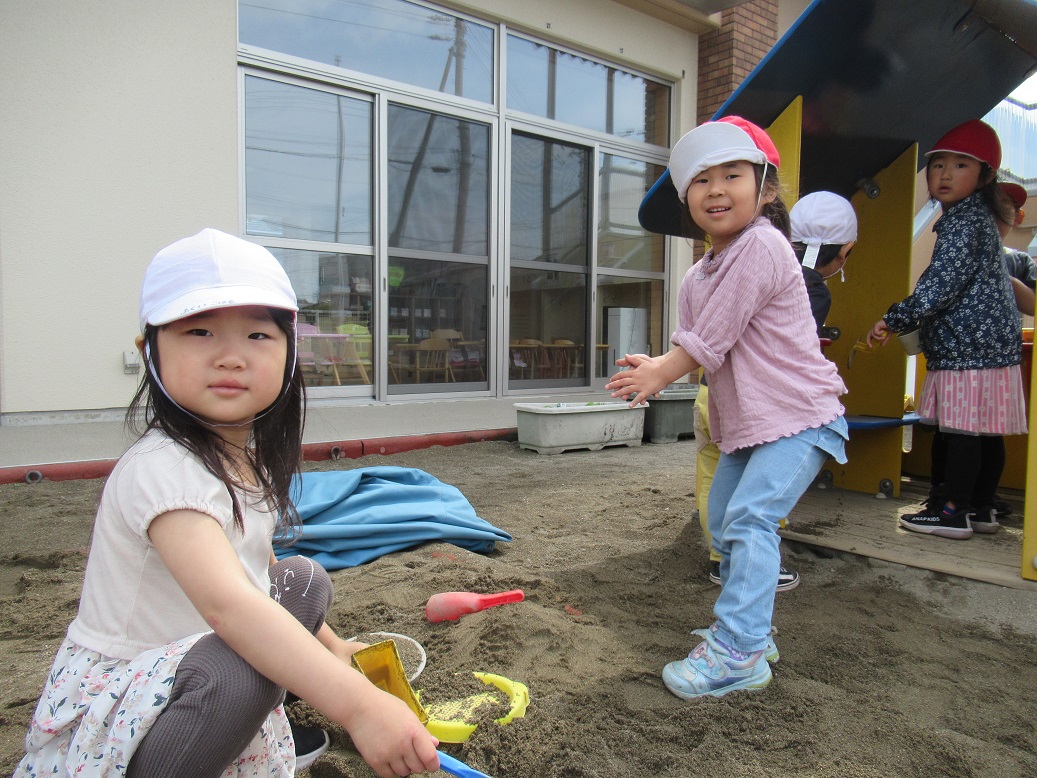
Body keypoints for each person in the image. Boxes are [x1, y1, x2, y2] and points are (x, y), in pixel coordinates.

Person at [14, 229, 440, 777]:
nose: (231, 357)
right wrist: (359, 708)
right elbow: (230, 606)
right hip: (128, 695)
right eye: (199, 331)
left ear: (289, 353)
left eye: (258, 335)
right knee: (241, 665)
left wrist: (335, 650)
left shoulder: (240, 457)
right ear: (151, 352)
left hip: (203, 660)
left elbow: (257, 566)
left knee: (304, 582)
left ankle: (244, 723)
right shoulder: (164, 468)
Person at [608, 117, 848, 699]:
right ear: (686, 197)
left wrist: (663, 370)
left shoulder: (765, 245)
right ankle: (752, 631)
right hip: (751, 427)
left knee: (750, 519)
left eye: (732, 175)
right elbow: (696, 344)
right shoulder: (698, 273)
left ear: (765, 189)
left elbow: (708, 338)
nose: (716, 189)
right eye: (701, 180)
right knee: (722, 521)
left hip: (802, 417)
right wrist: (662, 364)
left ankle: (739, 651)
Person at [866, 119, 1027, 539]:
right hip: (991, 345)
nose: (945, 175)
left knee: (959, 432)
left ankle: (952, 511)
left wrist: (895, 317)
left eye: (960, 166)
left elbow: (940, 284)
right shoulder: (980, 219)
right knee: (983, 430)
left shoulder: (961, 222)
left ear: (985, 175)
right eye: (938, 166)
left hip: (966, 347)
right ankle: (981, 507)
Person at [693, 190, 857, 592]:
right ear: (845, 251)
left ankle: (741, 632)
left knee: (739, 510)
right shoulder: (806, 282)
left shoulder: (762, 255)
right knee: (740, 514)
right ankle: (741, 585)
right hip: (750, 402)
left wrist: (665, 367)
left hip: (738, 399)